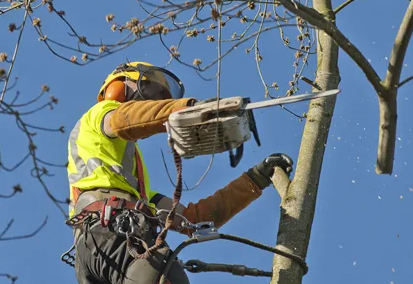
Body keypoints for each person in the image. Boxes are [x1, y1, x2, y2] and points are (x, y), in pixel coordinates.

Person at [66, 61, 294, 284]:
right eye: (149, 92)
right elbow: (126, 119)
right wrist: (189, 109)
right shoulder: (100, 114)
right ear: (119, 85)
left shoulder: (135, 193)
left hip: (96, 251)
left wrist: (254, 180)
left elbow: (196, 219)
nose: (154, 102)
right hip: (114, 234)